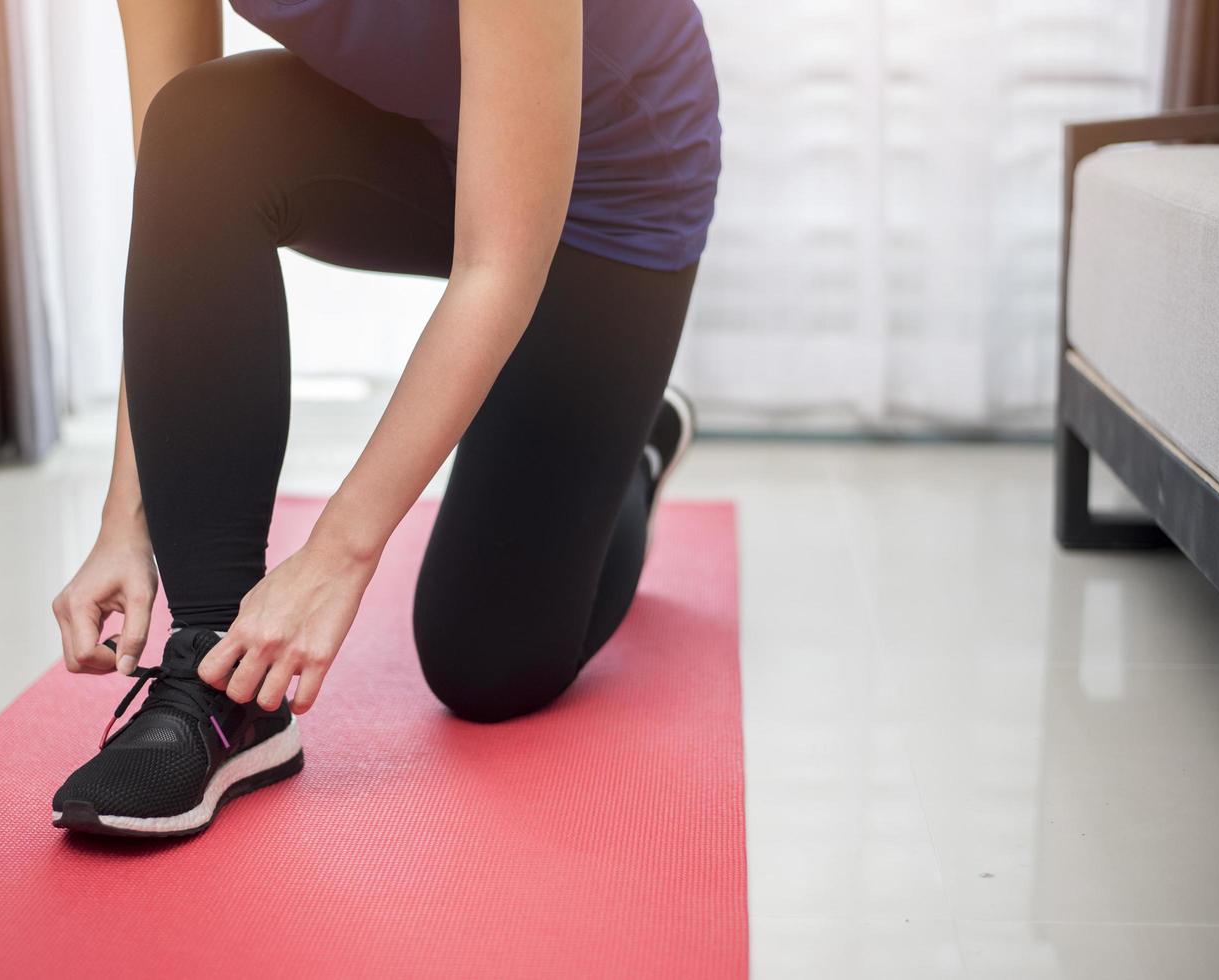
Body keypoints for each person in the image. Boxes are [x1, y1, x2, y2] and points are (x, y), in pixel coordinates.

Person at [49, 0, 720, 837]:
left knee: (486, 667)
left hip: (612, 186)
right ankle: (218, 687)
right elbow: (169, 217)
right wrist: (126, 519)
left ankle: (635, 450)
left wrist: (337, 553)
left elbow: (499, 261)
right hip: (431, 136)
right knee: (194, 129)